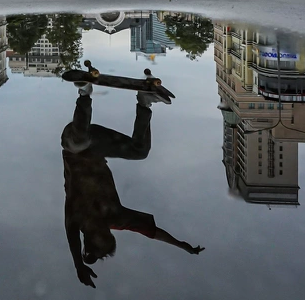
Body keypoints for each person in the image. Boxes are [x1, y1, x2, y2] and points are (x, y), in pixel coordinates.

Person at [61, 84, 202, 288]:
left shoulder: (76, 218)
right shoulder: (116, 218)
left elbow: (72, 240)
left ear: (89, 233)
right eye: (104, 230)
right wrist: (181, 245)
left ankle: (84, 93)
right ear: (108, 232)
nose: (99, 224)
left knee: (79, 143)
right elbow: (152, 232)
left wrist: (78, 266)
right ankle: (144, 102)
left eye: (95, 231)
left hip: (72, 141)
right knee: (140, 151)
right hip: (98, 146)